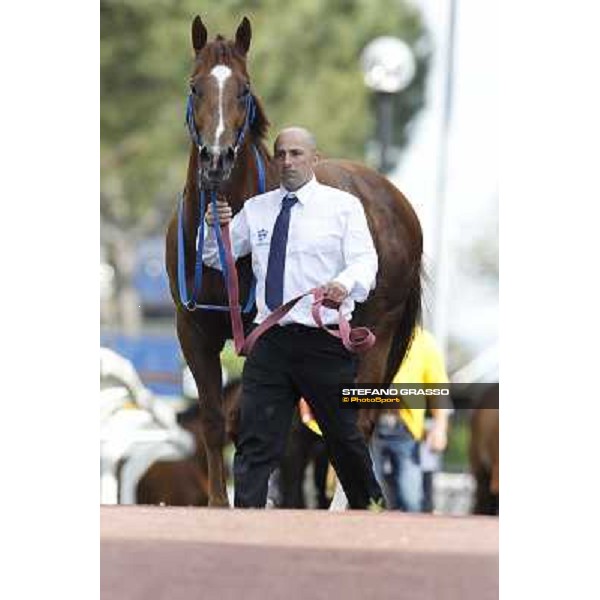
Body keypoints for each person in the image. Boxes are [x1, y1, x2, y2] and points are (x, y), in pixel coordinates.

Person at [203, 127, 384, 510]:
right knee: (255, 438)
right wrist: (212, 226)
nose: (288, 161)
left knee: (343, 437)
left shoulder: (343, 207)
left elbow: (366, 261)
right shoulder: (257, 209)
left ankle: (372, 508)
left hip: (324, 339)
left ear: (314, 158)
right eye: (281, 154)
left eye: (297, 153)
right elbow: (215, 257)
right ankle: (245, 519)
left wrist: (344, 283)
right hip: (271, 341)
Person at [370, 327, 450, 512]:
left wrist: (440, 428)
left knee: (411, 499)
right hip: (369, 428)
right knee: (371, 499)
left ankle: (409, 538)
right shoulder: (368, 335)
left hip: (405, 429)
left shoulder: (424, 342)